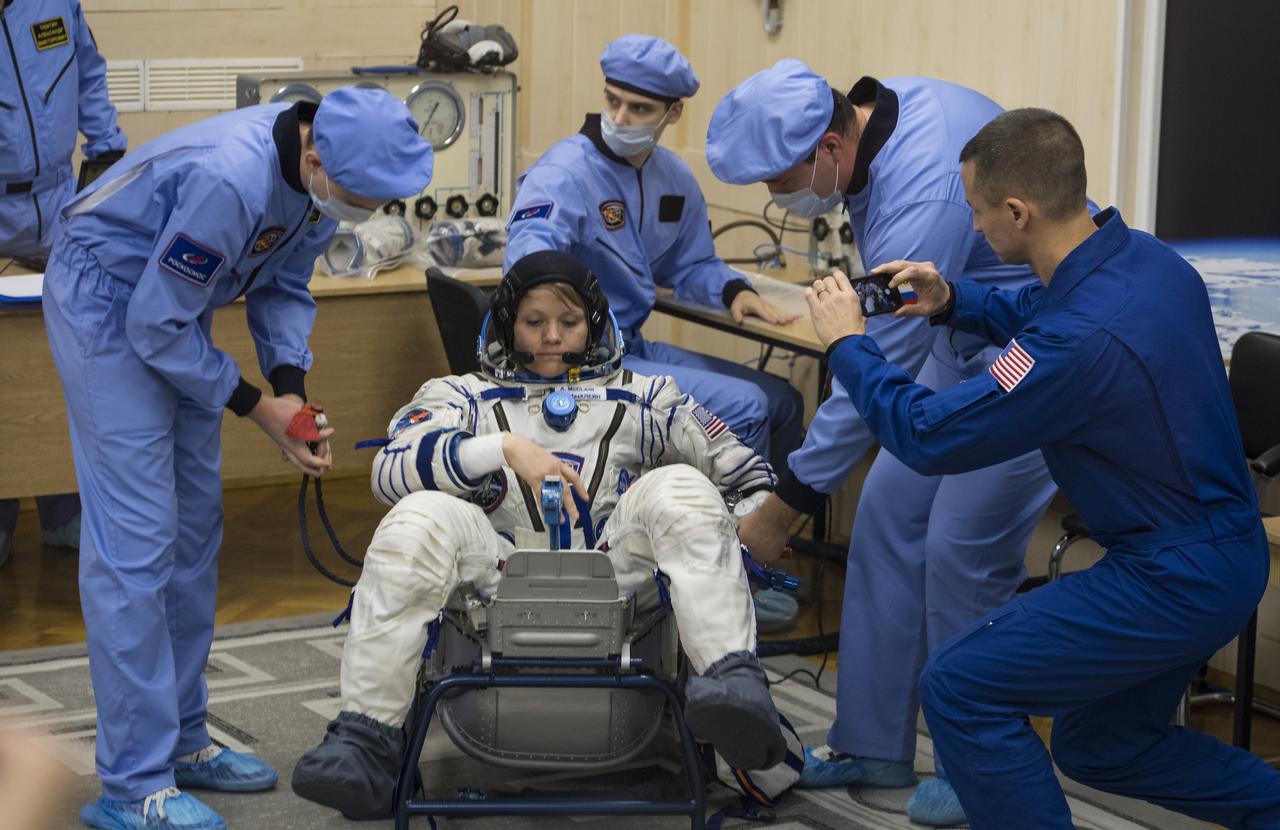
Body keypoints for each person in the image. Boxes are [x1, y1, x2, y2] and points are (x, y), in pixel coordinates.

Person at [804, 107, 1280, 830]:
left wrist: (849, 346)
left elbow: (927, 435)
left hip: (1173, 575)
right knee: (1101, 745)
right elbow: (1043, 303)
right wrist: (952, 298)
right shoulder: (1148, 260)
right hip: (1224, 552)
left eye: (977, 210)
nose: (971, 228)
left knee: (961, 685)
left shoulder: (1073, 348)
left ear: (1019, 211)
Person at [42, 87, 433, 830]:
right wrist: (258, 408)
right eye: (364, 197)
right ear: (316, 156)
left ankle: (184, 741)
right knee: (138, 543)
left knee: (193, 530)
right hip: (107, 297)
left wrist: (290, 390)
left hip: (174, 307)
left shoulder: (326, 173)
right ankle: (131, 782)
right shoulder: (233, 176)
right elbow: (151, 323)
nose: (368, 211)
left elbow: (283, 284)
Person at [293, 250, 801, 819]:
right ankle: (366, 742)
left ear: (596, 324)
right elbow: (390, 472)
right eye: (534, 323)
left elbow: (750, 477)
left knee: (681, 487)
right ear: (507, 325)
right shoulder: (460, 396)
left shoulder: (647, 397)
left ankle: (731, 684)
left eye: (570, 322)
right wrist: (504, 448)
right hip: (494, 580)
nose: (553, 338)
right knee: (417, 519)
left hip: (618, 579)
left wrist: (736, 532)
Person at [704, 59, 1058, 823]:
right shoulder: (880, 116)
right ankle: (873, 742)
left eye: (781, 178)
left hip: (1035, 354)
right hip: (958, 338)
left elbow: (873, 379)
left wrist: (780, 512)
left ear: (831, 144)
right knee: (890, 516)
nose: (778, 198)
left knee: (960, 546)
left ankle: (981, 765)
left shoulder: (925, 187)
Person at [503, 35, 805, 474]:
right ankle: (737, 532)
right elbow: (527, 268)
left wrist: (734, 291)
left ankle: (773, 524)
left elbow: (692, 264)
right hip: (585, 361)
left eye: (639, 109)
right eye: (613, 101)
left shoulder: (674, 178)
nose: (620, 118)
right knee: (750, 407)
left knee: (785, 402)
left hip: (634, 345)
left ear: (674, 111)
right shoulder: (563, 173)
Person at [0, 0, 127, 568]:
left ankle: (65, 509)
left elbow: (88, 68)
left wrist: (107, 152)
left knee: (73, 356)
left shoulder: (54, 5)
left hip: (57, 202)